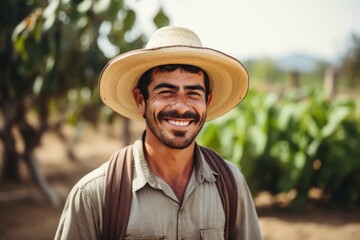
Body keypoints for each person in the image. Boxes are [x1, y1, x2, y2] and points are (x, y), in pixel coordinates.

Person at [55, 26, 262, 240]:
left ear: (207, 102)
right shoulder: (94, 196)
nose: (181, 106)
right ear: (140, 100)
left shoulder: (230, 185)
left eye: (193, 94)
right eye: (166, 92)